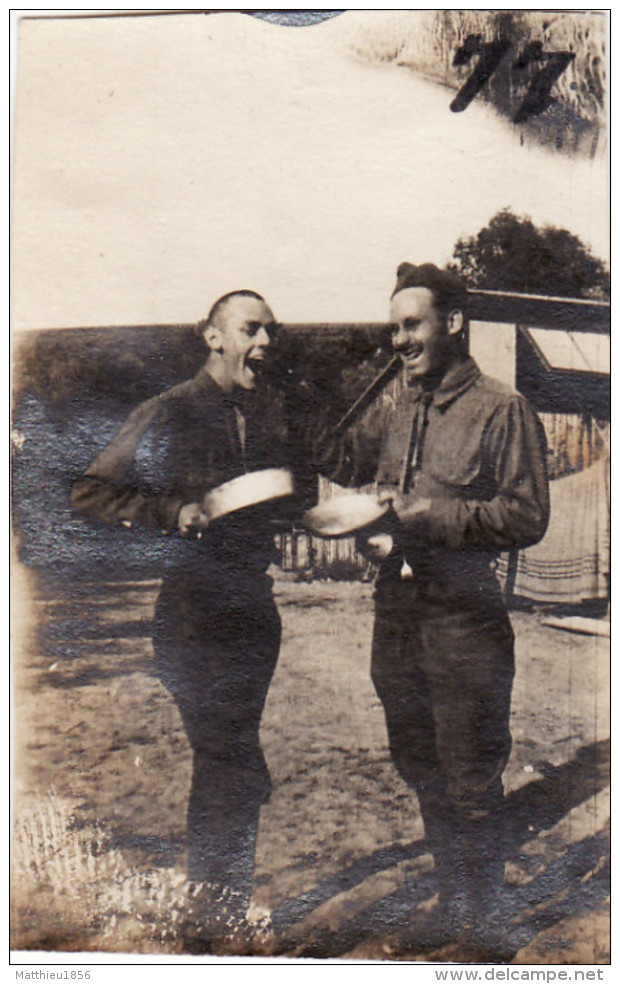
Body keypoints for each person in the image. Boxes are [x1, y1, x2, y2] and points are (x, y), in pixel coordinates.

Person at [323, 263, 550, 953]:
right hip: (397, 612)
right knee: (418, 761)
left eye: (411, 324)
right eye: (394, 328)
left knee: (471, 774)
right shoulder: (400, 406)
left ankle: (486, 925)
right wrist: (380, 534)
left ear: (453, 322)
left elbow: (527, 513)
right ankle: (454, 904)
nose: (400, 339)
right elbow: (349, 467)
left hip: (463, 618)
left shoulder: (500, 407)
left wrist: (433, 515)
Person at [71, 289, 292, 954]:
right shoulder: (168, 410)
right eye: (251, 330)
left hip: (254, 610)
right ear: (212, 336)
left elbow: (281, 494)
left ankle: (219, 910)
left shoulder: (264, 414)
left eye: (270, 332)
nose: (265, 344)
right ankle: (213, 917)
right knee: (230, 758)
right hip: (194, 612)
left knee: (229, 758)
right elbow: (90, 490)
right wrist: (173, 515)